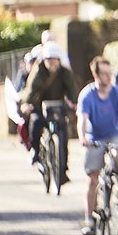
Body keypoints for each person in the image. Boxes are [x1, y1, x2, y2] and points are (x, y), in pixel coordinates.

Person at [77, 57, 118, 235]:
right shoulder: (87, 95)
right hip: (94, 137)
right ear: (96, 75)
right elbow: (82, 119)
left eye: (109, 73)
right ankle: (89, 220)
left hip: (115, 135)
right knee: (93, 179)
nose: (108, 77)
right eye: (104, 74)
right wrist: (83, 137)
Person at [21, 42, 77, 174]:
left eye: (54, 59)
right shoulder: (38, 72)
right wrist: (26, 104)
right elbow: (31, 89)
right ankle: (35, 149)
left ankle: (63, 164)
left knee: (63, 133)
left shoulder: (65, 73)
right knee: (35, 123)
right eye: (49, 60)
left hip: (58, 106)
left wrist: (75, 103)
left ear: (59, 60)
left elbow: (72, 90)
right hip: (40, 106)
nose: (52, 63)